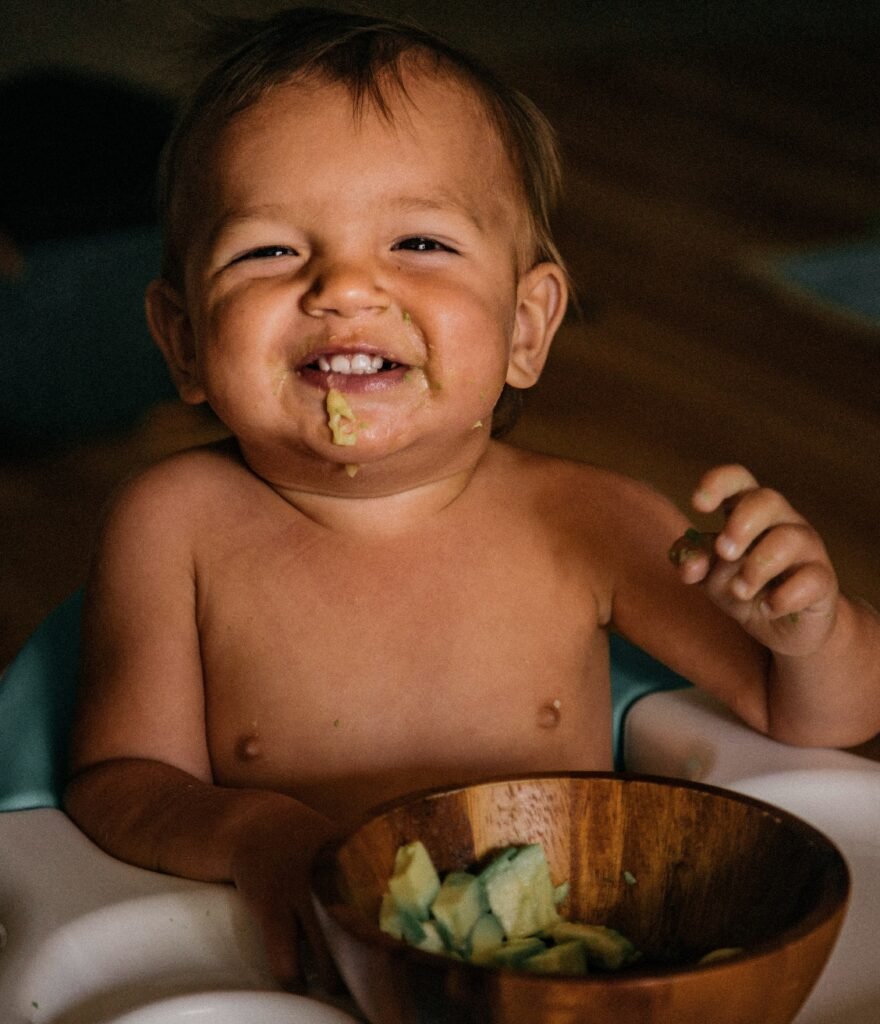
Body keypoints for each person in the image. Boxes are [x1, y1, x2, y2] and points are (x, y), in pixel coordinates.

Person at [63, 5, 880, 994]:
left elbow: (820, 718)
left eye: (418, 242)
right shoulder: (174, 522)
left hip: (561, 976)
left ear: (527, 325)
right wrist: (257, 834)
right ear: (184, 339)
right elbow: (118, 784)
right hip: (304, 967)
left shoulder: (585, 519)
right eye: (269, 252)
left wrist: (807, 629)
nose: (347, 287)